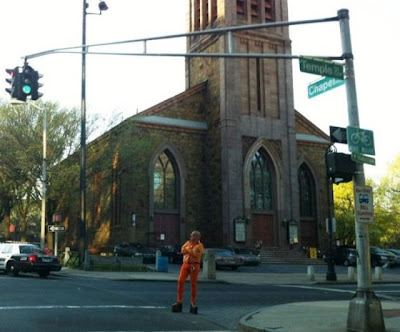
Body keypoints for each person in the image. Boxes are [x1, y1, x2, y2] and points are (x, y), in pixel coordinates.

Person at [171, 230, 204, 314]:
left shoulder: (200, 246)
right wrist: (190, 250)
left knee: (193, 284)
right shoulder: (187, 243)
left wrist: (188, 249)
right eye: (191, 235)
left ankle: (193, 302)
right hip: (185, 264)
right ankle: (179, 301)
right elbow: (182, 250)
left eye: (193, 236)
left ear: (197, 237)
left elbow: (195, 254)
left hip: (194, 265)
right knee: (180, 281)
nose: (191, 237)